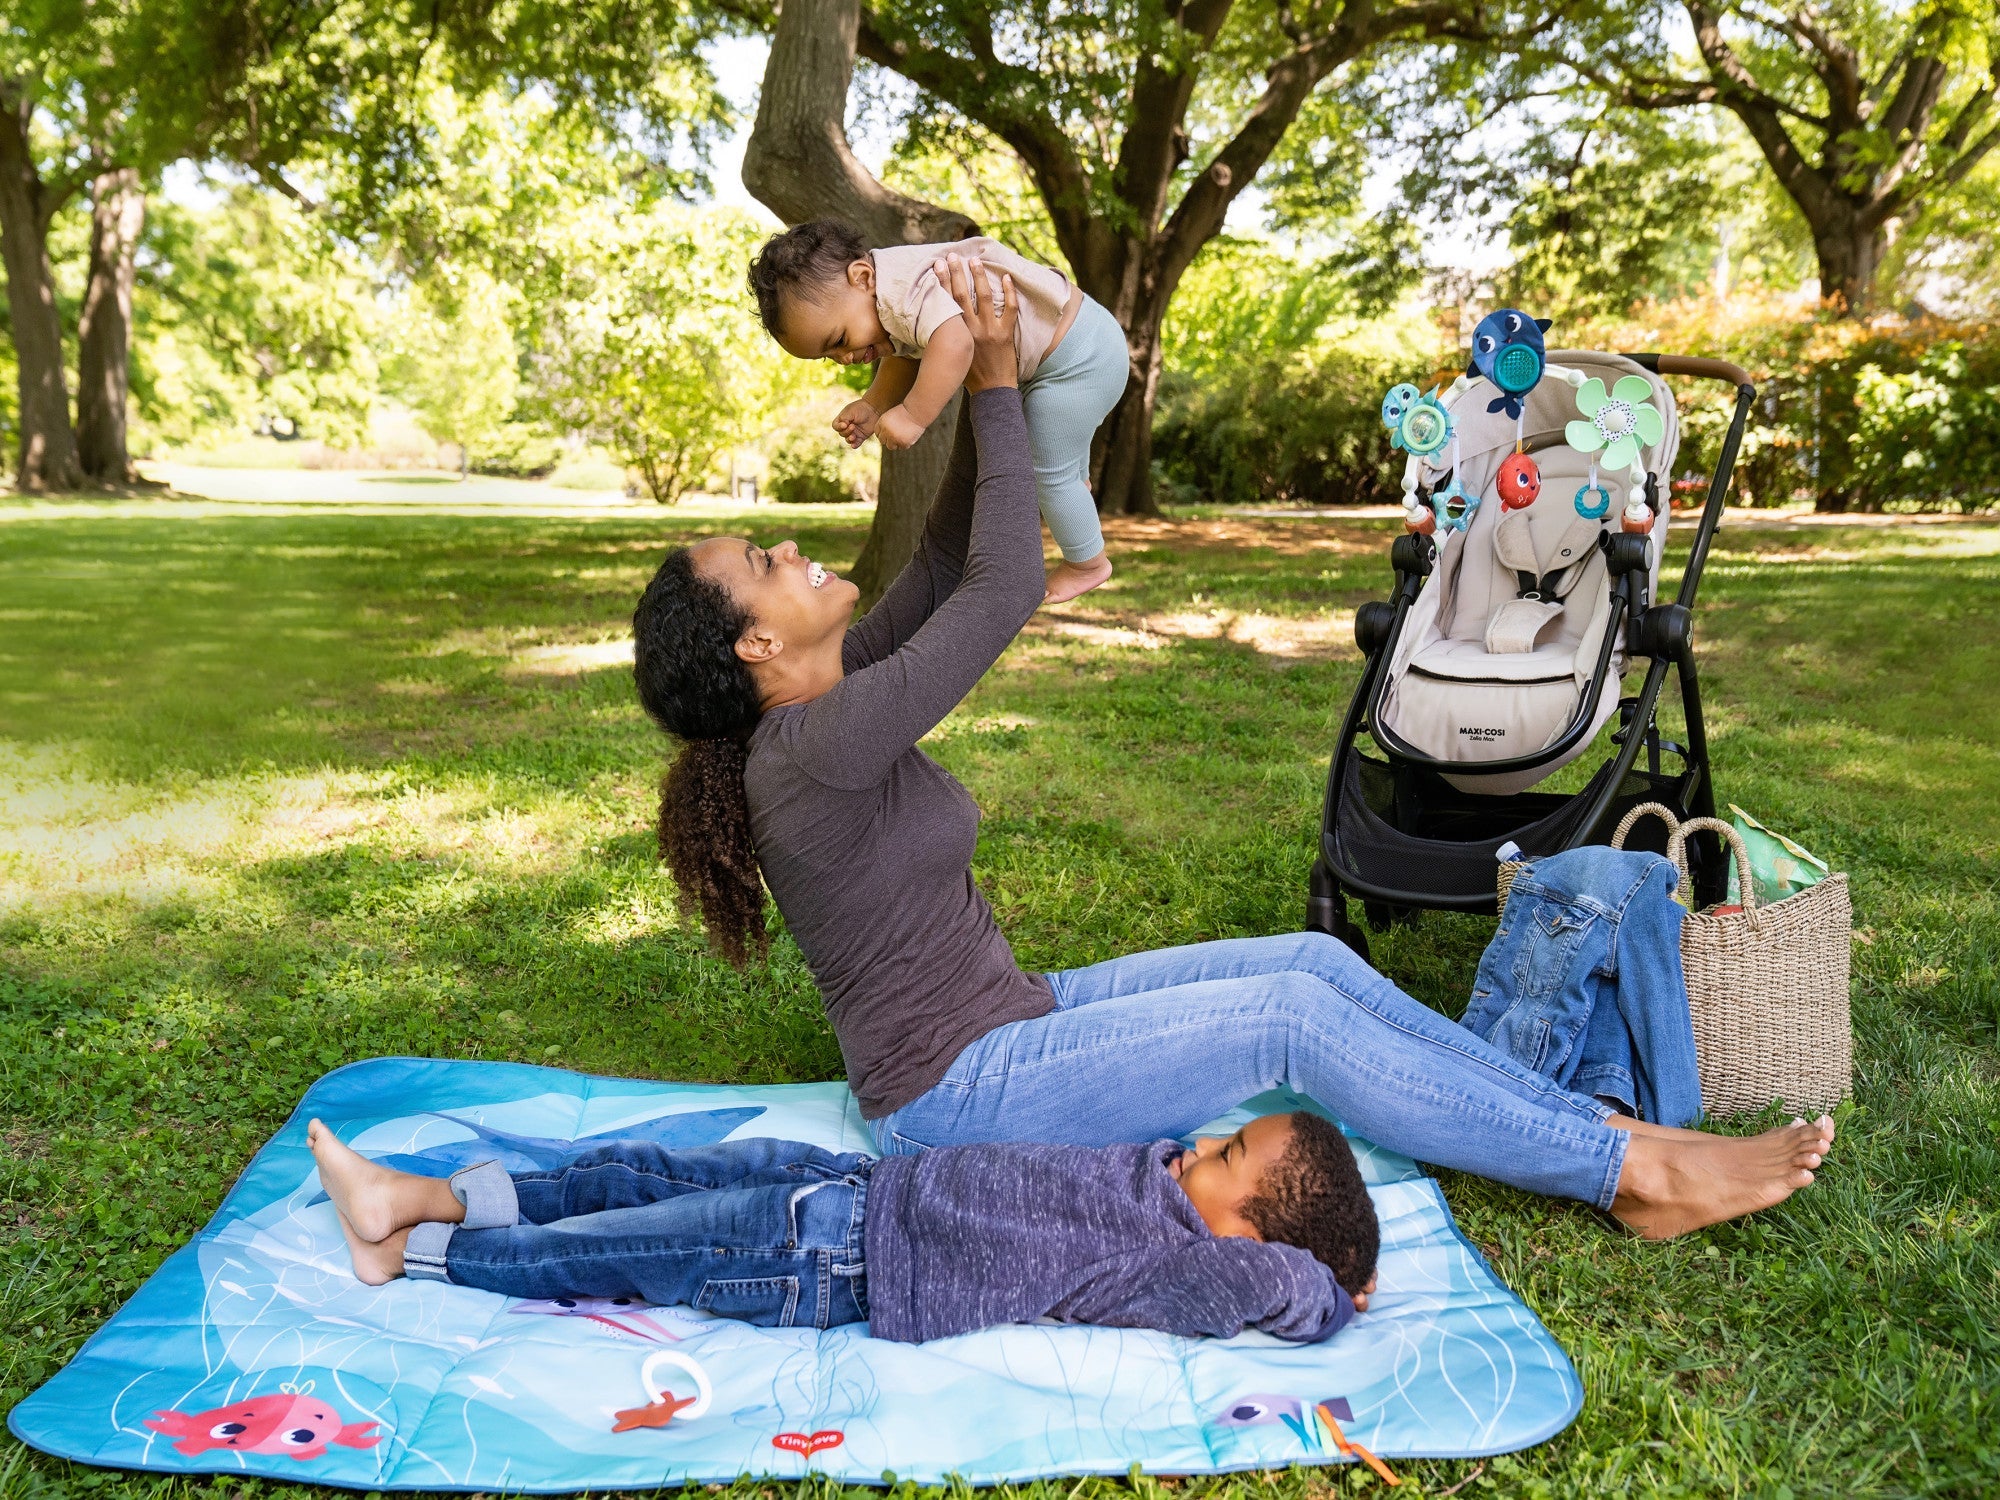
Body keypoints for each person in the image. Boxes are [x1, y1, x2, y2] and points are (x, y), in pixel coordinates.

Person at [632, 253, 1836, 1245]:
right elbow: (1001, 591)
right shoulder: (810, 749)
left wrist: (970, 372)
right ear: (749, 647)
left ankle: (1603, 1137)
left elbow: (950, 563)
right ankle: (1624, 1177)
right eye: (762, 566)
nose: (791, 551)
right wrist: (994, 381)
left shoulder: (828, 701)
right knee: (1285, 1025)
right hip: (954, 1096)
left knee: (1311, 969)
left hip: (1016, 1016)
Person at [307, 1111, 1379, 1344]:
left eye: (1226, 1161)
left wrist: (1331, 1288)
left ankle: (412, 1253)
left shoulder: (1182, 1266)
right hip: (852, 1183)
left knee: (628, 1245)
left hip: (828, 1259)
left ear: (1250, 1242)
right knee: (630, 1173)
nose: (1199, 1145)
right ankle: (416, 1194)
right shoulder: (1162, 1180)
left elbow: (1264, 1289)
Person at [747, 219, 1127, 603]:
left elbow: (954, 342)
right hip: (1079, 348)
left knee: (1046, 468)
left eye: (839, 340)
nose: (844, 358)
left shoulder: (902, 288)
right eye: (828, 357)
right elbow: (907, 354)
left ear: (861, 278)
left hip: (1079, 359)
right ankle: (1072, 489)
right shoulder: (889, 296)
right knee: (1057, 472)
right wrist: (873, 404)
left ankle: (1088, 563)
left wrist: (913, 415)